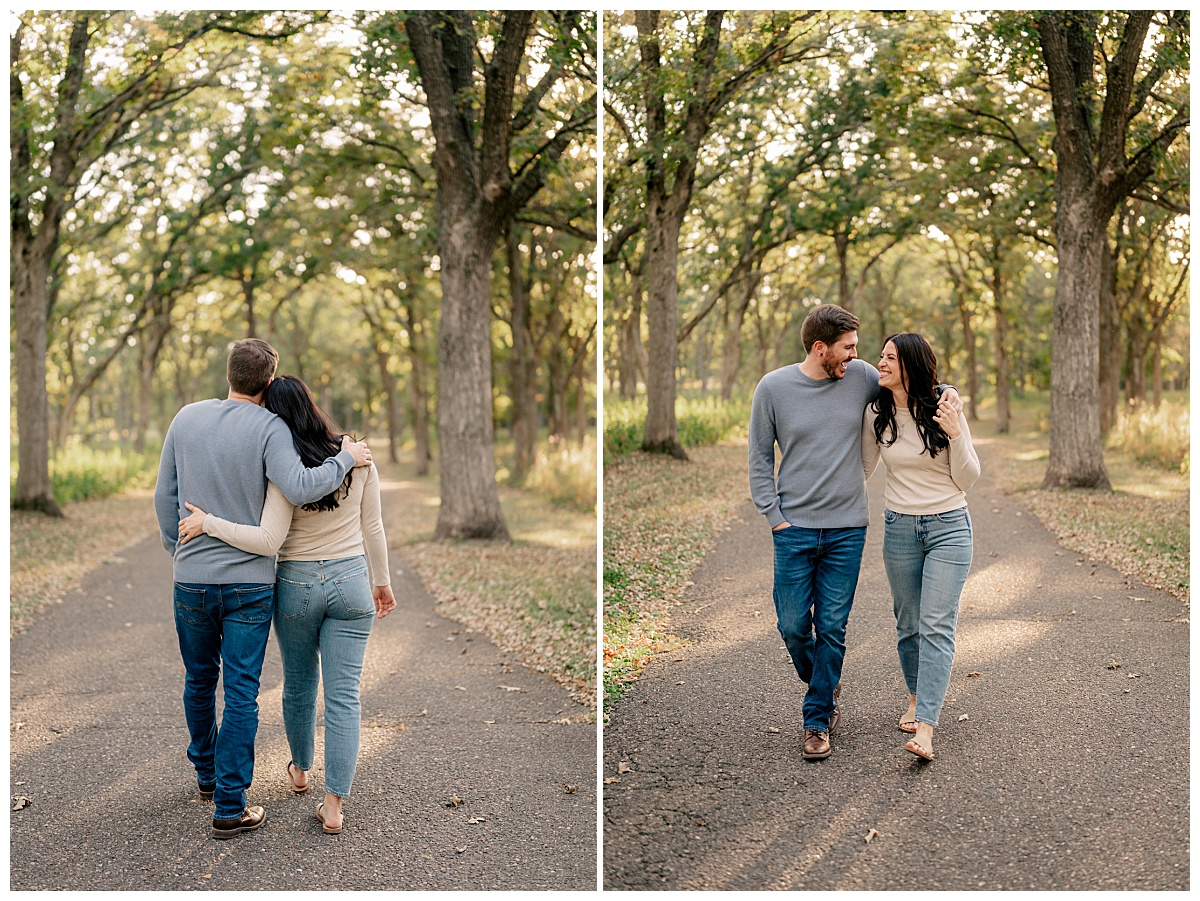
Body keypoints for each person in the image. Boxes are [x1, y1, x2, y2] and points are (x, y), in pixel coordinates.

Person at [154, 339, 371, 839]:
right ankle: (230, 803)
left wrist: (178, 549)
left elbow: (165, 494)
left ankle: (206, 776)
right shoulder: (272, 427)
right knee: (242, 693)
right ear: (268, 383)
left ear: (228, 373)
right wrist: (343, 458)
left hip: (192, 579)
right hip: (250, 583)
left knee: (198, 680)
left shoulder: (184, 418)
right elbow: (298, 487)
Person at [748, 304, 960, 761]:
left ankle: (817, 719)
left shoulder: (862, 376)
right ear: (820, 348)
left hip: (847, 529)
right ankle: (827, 680)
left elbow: (919, 382)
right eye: (847, 349)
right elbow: (760, 459)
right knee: (791, 627)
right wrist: (775, 517)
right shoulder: (773, 388)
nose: (857, 358)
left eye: (858, 350)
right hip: (793, 530)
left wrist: (951, 395)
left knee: (831, 627)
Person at [862, 333, 979, 761]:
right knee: (908, 623)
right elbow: (862, 469)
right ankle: (914, 696)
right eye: (881, 356)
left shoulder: (945, 406)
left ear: (910, 364)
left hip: (949, 525)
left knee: (936, 625)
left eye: (891, 357)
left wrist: (956, 434)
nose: (882, 363)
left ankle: (926, 726)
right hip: (900, 529)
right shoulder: (877, 410)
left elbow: (968, 477)